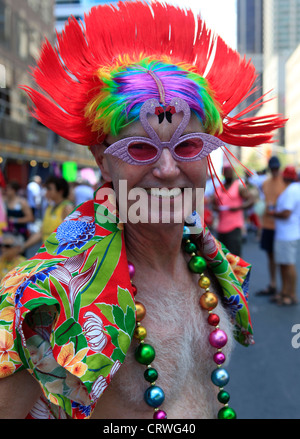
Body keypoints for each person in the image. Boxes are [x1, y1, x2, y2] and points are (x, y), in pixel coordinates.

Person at [0, 1, 285, 419]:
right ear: (102, 158)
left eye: (187, 146)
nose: (167, 170)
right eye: (139, 148)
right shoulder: (47, 297)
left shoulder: (210, 264)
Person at [267, 165, 300, 306]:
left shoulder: (292, 191)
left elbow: (286, 213)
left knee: (288, 265)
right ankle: (285, 292)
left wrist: (273, 213)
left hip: (287, 234)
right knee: (284, 265)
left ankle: (290, 294)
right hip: (286, 233)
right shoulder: (293, 189)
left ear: (285, 176)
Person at [255, 156, 285, 297]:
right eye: (272, 168)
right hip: (267, 224)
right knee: (270, 256)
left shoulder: (285, 182)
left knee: (282, 257)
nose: (274, 170)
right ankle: (273, 284)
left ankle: (284, 288)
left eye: (276, 168)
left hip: (280, 225)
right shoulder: (265, 183)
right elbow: (264, 199)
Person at [22, 176, 74, 252]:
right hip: (48, 253)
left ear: (60, 191)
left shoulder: (67, 208)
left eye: (49, 189)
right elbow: (41, 233)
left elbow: (70, 237)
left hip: (58, 255)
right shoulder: (50, 207)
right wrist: (23, 247)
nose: (46, 192)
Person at [212, 166, 254, 256]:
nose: (228, 175)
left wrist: (239, 207)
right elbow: (213, 203)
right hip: (221, 227)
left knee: (235, 256)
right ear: (223, 174)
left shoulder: (238, 187)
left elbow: (251, 200)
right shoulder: (219, 188)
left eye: (230, 172)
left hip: (234, 227)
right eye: (226, 172)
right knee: (223, 256)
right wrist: (216, 208)